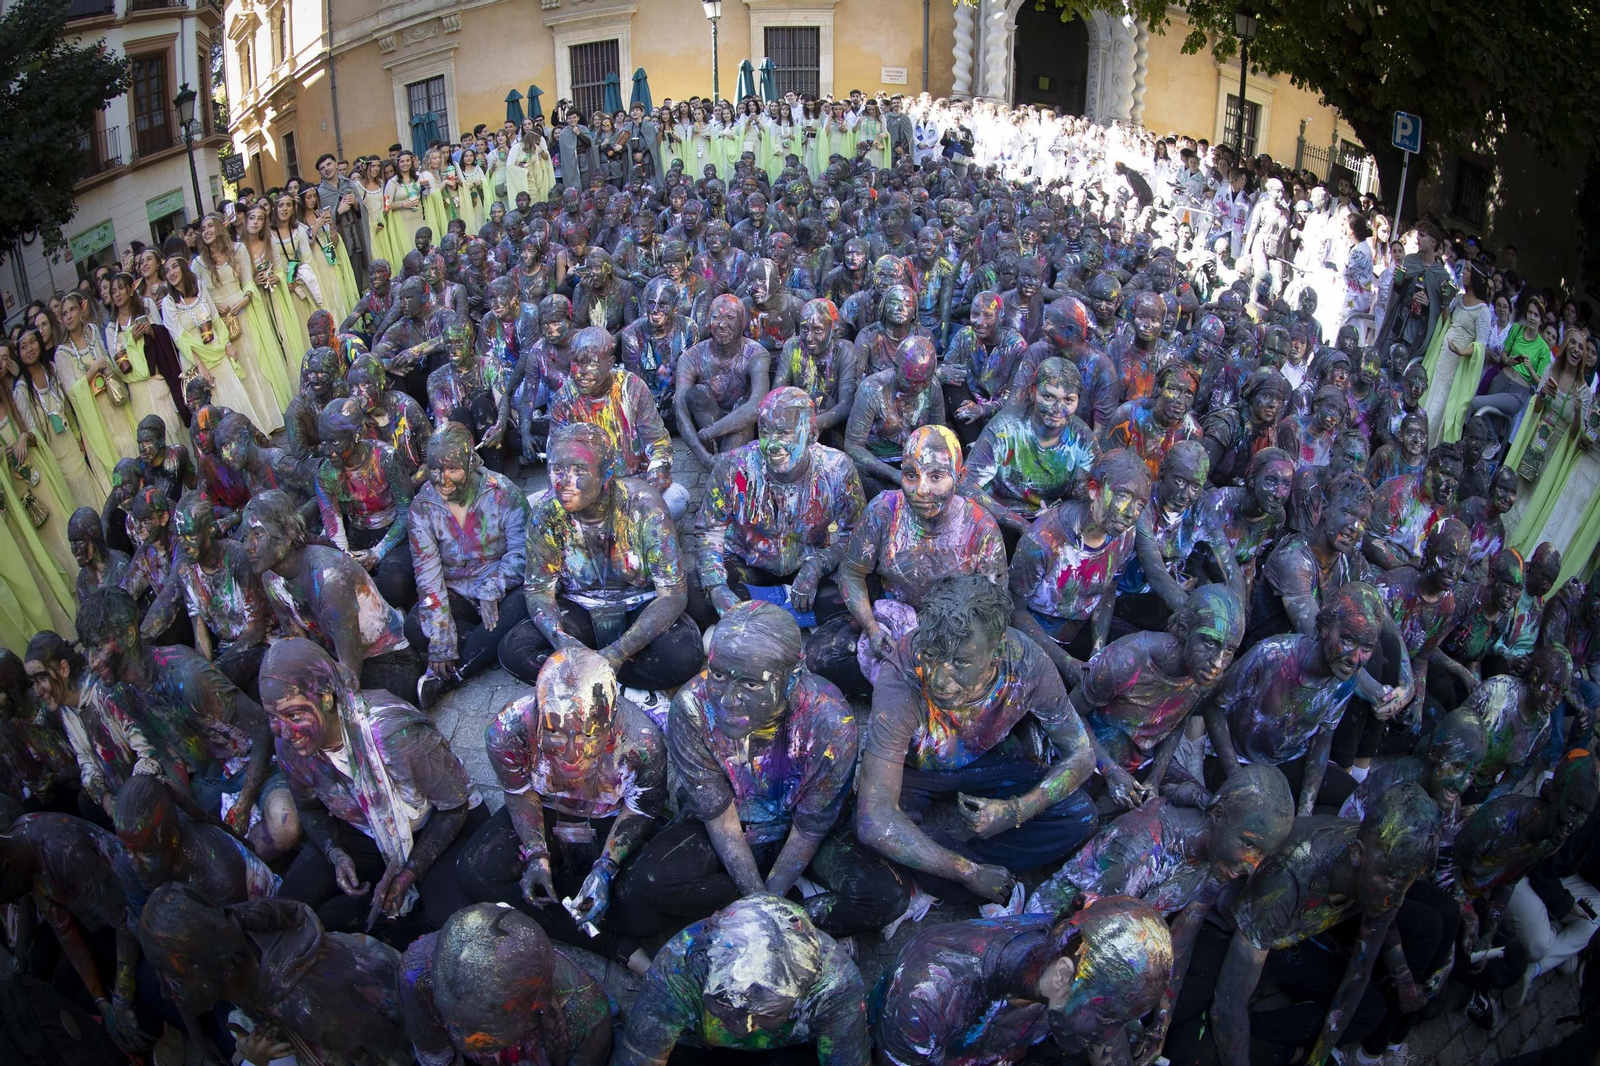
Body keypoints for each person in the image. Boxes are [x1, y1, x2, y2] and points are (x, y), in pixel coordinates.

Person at [856, 574, 1099, 905]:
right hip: (915, 772)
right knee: (879, 838)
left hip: (990, 760)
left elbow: (1082, 756)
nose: (940, 678)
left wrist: (1015, 811)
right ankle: (968, 872)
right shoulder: (901, 676)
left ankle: (950, 870)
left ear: (996, 652)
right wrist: (967, 871)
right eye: (930, 654)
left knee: (1080, 814)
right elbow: (875, 819)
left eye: (961, 663)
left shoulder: (1027, 664)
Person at [1199, 783, 1443, 1066]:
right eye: (1392, 879)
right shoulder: (1289, 876)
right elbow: (1228, 1004)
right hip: (1240, 932)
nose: (1398, 896)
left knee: (1370, 1009)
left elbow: (1358, 976)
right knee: (1207, 1038)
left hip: (1291, 943)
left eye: (1408, 881)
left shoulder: (1386, 874)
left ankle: (1272, 1039)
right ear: (1356, 854)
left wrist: (1317, 1059)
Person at [265, 638, 485, 944]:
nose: (285, 732)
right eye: (273, 718)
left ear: (327, 699)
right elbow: (310, 807)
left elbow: (454, 807)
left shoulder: (395, 736)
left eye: (294, 716)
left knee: (447, 923)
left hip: (437, 820)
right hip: (366, 828)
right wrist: (335, 853)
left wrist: (409, 872)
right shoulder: (290, 749)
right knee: (289, 904)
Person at [498, 423, 702, 691]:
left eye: (579, 470)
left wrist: (618, 651)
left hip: (639, 606)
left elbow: (673, 594)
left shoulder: (645, 505)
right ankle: (608, 684)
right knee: (515, 650)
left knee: (683, 656)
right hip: (578, 607)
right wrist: (562, 641)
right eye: (557, 469)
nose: (563, 483)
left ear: (607, 474)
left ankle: (586, 681)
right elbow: (538, 591)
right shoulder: (546, 514)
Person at [134, 883, 413, 1066]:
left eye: (173, 974)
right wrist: (248, 1055)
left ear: (223, 969)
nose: (166, 989)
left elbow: (397, 1055)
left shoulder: (312, 1003)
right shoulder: (233, 934)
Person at [614, 894, 870, 1066]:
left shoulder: (837, 986)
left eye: (767, 1013)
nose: (741, 1028)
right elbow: (640, 1053)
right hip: (703, 1049)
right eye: (725, 1002)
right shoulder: (679, 965)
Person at [694, 388, 864, 624]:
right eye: (765, 432)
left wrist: (817, 565)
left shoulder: (837, 469)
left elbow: (855, 534)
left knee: (862, 586)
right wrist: (717, 588)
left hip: (808, 565)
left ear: (812, 434)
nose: (772, 444)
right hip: (747, 564)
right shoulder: (733, 466)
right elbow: (709, 530)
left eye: (784, 433)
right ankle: (788, 610)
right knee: (697, 593)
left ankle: (757, 616)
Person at [240, 488, 421, 698]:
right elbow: (298, 644)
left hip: (390, 660)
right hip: (336, 661)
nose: (248, 547)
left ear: (286, 533)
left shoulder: (329, 577)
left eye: (258, 534)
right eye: (245, 537)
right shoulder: (271, 579)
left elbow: (351, 674)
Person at [405, 422, 530, 706]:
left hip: (501, 587)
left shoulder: (503, 492)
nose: (442, 479)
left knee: (526, 600)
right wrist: (440, 639)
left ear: (472, 462)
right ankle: (489, 646)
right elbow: (428, 576)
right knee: (415, 626)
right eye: (435, 469)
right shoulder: (422, 507)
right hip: (457, 590)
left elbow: (524, 552)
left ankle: (454, 675)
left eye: (452, 469)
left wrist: (495, 585)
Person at [398, 902, 612, 1066]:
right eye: (455, 1024)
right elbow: (436, 1054)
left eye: (483, 1031)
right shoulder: (418, 973)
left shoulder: (585, 1014)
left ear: (533, 1007)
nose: (466, 1042)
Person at [1009, 449, 1152, 686]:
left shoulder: (1125, 536)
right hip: (1033, 642)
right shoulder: (1043, 541)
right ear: (1094, 489)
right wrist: (1064, 663)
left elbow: (1108, 591)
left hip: (1079, 631)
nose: (1130, 514)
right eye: (1123, 496)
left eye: (1139, 505)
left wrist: (1097, 651)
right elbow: (1015, 612)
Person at [139, 492, 273, 695]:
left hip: (261, 645)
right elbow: (200, 631)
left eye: (191, 535)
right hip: (226, 650)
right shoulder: (187, 571)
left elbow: (257, 630)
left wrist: (215, 669)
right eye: (181, 536)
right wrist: (203, 670)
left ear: (210, 528)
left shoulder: (237, 559)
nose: (184, 544)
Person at [548, 325, 686, 515]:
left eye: (592, 364)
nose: (582, 372)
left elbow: (658, 444)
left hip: (634, 484)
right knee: (538, 508)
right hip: (585, 489)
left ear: (610, 362)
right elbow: (555, 455)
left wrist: (651, 487)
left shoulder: (633, 388)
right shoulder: (564, 399)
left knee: (677, 499)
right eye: (577, 362)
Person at [962, 356, 1098, 539]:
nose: (1058, 408)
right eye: (1048, 397)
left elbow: (1098, 490)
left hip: (1052, 521)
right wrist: (1019, 523)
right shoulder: (1005, 429)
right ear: (1033, 392)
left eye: (1068, 400)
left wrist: (1061, 514)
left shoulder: (1081, 437)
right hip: (1000, 520)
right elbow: (967, 485)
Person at [314, 397, 417, 611]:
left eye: (334, 442)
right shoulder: (326, 473)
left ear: (357, 436)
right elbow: (333, 524)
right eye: (323, 442)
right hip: (358, 534)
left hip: (396, 532)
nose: (328, 450)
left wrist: (378, 552)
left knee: (394, 580)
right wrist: (346, 557)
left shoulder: (385, 457)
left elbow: (408, 511)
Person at [674, 293, 771, 469]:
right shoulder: (691, 357)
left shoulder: (756, 354)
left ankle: (725, 462)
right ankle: (718, 459)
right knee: (696, 394)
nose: (721, 324)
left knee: (743, 406)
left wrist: (708, 433)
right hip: (709, 421)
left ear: (742, 322)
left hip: (739, 424)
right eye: (716, 317)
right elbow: (680, 412)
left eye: (730, 317)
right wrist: (704, 458)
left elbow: (756, 406)